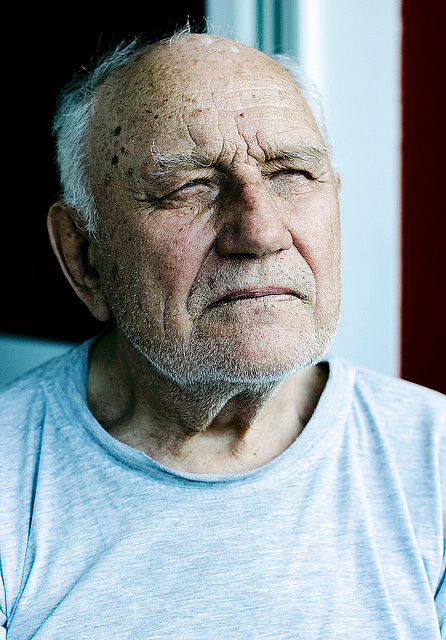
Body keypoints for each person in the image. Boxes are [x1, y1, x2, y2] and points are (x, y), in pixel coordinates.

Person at [0, 29, 444, 640]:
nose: (261, 232)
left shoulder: (434, 461)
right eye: (190, 187)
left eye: (291, 172)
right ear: (84, 257)